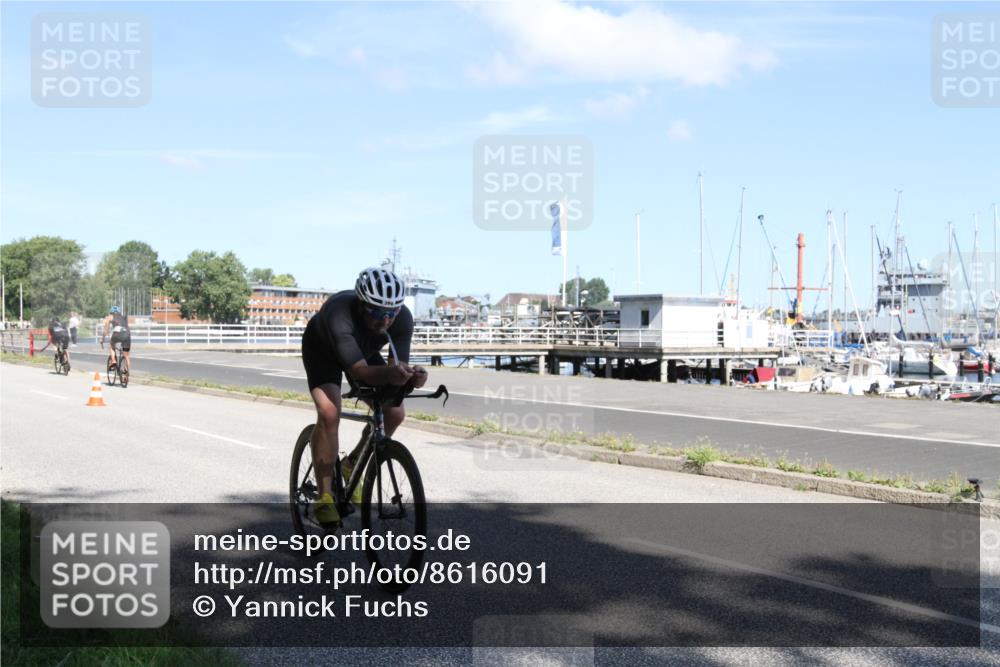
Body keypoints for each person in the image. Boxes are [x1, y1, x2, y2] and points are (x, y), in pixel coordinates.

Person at [301, 267, 427, 528]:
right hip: (323, 351)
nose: (385, 321)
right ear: (361, 304)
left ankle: (352, 463)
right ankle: (324, 497)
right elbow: (359, 372)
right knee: (329, 413)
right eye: (376, 312)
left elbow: (396, 367)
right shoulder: (339, 313)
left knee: (395, 412)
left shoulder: (402, 318)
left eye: (391, 313)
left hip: (362, 352)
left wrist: (412, 376)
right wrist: (392, 373)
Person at [100, 306, 132, 371]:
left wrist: (102, 339)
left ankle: (113, 360)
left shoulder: (110, 317)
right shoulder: (123, 317)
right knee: (126, 356)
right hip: (127, 334)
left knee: (111, 345)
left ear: (111, 312)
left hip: (117, 334)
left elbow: (106, 330)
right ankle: (126, 375)